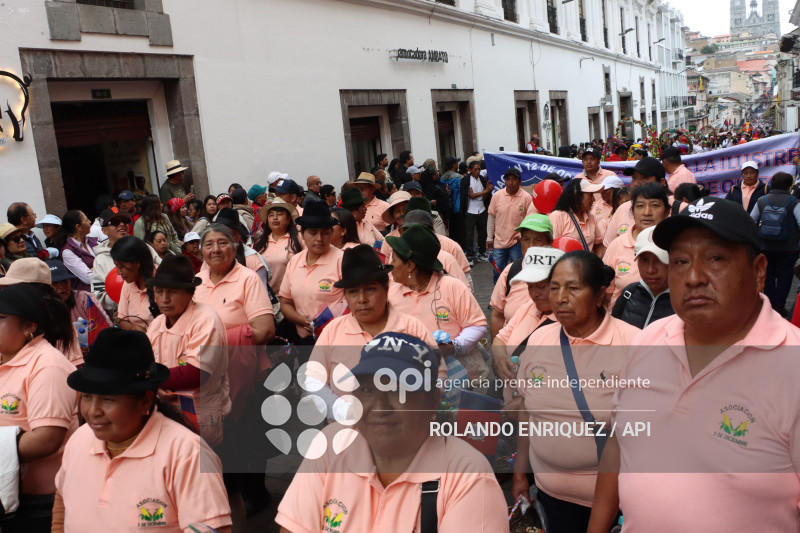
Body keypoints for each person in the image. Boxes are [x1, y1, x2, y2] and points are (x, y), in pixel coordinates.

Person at [588, 198, 800, 533]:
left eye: (716, 258)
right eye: (681, 261)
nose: (694, 277)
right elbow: (619, 443)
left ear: (759, 271)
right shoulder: (649, 340)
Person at [276, 332, 509, 532]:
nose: (379, 407)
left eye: (399, 390)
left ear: (433, 400)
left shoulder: (468, 477)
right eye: (367, 389)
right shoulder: (331, 444)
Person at [53, 328, 231, 533]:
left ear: (145, 400)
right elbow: (62, 498)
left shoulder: (188, 455)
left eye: (108, 399)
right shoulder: (79, 441)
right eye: (87, 397)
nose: (93, 412)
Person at [512, 251, 639, 533]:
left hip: (618, 505)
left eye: (573, 288)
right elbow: (526, 412)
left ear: (599, 295)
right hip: (551, 498)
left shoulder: (634, 344)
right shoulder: (540, 339)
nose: (560, 297)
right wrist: (520, 473)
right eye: (554, 288)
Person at [304, 245, 441, 417]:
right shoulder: (333, 331)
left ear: (386, 289)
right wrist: (345, 412)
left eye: (370, 289)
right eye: (353, 292)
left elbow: (437, 379)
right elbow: (313, 381)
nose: (362, 299)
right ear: (345, 296)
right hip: (345, 435)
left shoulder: (412, 328)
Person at [0, 283, 77, 533]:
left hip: (41, 502)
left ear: (29, 327)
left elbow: (47, 438)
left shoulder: (47, 365)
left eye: (0, 318)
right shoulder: (5, 359)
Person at [387, 225, 489, 390]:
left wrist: (452, 347)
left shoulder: (452, 287)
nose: (390, 265)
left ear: (410, 266)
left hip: (454, 378)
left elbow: (478, 325)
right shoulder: (390, 293)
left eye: (394, 260)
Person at [146, 255, 230, 447]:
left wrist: (150, 377)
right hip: (166, 412)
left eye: (173, 292)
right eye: (159, 291)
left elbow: (196, 373)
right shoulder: (157, 323)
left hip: (201, 414)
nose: (164, 299)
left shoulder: (206, 320)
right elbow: (146, 364)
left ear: (190, 293)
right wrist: (154, 383)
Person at [491, 246, 563, 388]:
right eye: (530, 286)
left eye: (542, 287)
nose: (534, 294)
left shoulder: (571, 323)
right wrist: (500, 358)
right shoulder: (528, 307)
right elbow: (500, 339)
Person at [278, 202, 344, 343]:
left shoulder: (342, 260)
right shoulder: (295, 262)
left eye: (325, 233)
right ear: (302, 233)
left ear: (332, 233)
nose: (319, 239)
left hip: (336, 338)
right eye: (313, 233)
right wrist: (301, 319)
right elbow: (285, 302)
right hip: (304, 338)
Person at [602, 183, 669, 307]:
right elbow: (605, 294)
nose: (647, 212)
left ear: (667, 211)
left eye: (654, 205)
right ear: (632, 211)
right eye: (640, 206)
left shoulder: (674, 245)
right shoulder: (617, 245)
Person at [489, 214, 553, 340]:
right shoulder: (511, 271)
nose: (531, 245)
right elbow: (497, 315)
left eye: (538, 240)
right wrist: (497, 354)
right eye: (526, 239)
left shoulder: (559, 272)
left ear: (549, 242)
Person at [749, 171, 800, 314]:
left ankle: (768, 305)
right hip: (788, 248)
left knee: (768, 274)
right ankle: (779, 306)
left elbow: (751, 220)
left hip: (765, 245)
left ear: (772, 184)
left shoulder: (762, 200)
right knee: (785, 277)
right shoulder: (794, 202)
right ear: (789, 186)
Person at [610, 226, 674, 328]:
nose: (650, 269)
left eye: (659, 259)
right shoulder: (629, 293)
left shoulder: (684, 303)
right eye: (644, 260)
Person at [603, 157, 668, 247]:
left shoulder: (679, 208)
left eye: (644, 178)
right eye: (634, 178)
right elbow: (608, 247)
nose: (637, 183)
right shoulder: (622, 209)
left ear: (661, 182)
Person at [487, 167, 534, 281]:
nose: (510, 182)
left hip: (516, 242)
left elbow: (530, 219)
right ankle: (500, 296)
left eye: (514, 179)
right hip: (499, 242)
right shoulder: (497, 196)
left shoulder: (526, 197)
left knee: (517, 272)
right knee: (497, 273)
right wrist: (489, 237)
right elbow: (491, 217)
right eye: (508, 179)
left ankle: (515, 295)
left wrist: (523, 236)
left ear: (520, 181)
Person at [253, 199, 304, 290]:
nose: (275, 218)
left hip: (291, 296)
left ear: (289, 219)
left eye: (279, 214)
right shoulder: (259, 243)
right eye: (271, 215)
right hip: (266, 298)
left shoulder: (299, 239)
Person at [111, 236, 157, 333]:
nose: (119, 273)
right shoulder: (128, 284)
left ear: (137, 263)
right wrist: (134, 328)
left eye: (121, 267)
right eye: (117, 267)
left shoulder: (161, 281)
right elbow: (122, 319)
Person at [91, 208, 132, 314]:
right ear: (104, 231)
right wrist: (125, 298)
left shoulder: (142, 247)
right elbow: (98, 295)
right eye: (115, 222)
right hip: (122, 316)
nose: (122, 224)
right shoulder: (101, 260)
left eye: (125, 221)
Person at [550, 179, 606, 256]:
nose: (593, 199)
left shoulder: (591, 218)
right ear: (577, 195)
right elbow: (551, 248)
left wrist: (595, 263)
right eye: (590, 195)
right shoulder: (557, 216)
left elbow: (599, 245)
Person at [48, 260, 111, 326]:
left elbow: (105, 324)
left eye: (64, 281)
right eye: (54, 284)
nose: (61, 287)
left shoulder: (84, 298)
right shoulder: (41, 309)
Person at [53, 210, 97, 293]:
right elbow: (88, 278)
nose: (90, 222)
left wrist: (93, 268)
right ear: (78, 227)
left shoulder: (93, 241)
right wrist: (102, 267)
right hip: (88, 296)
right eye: (86, 220)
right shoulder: (68, 252)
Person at [461, 159, 492, 264]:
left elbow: (484, 197)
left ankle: (482, 253)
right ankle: (470, 255)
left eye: (479, 169)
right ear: (469, 170)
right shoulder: (466, 180)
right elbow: (471, 195)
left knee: (482, 232)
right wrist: (486, 190)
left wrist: (486, 192)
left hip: (481, 209)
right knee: (469, 234)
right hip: (470, 210)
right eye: (475, 169)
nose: (477, 171)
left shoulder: (482, 179)